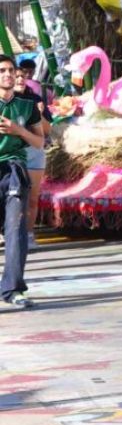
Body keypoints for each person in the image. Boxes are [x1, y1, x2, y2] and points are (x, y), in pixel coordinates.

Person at [0, 55, 44, 309]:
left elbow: (39, 142)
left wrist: (19, 131)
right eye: (2, 70)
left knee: (16, 230)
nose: (7, 74)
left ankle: (13, 289)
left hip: (14, 170)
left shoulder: (26, 106)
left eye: (10, 70)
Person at [14, 63, 48, 249]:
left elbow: (47, 130)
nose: (19, 78)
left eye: (21, 75)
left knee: (32, 198)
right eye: (13, 74)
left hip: (34, 152)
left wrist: (39, 114)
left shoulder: (34, 98)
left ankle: (28, 234)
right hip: (9, 153)